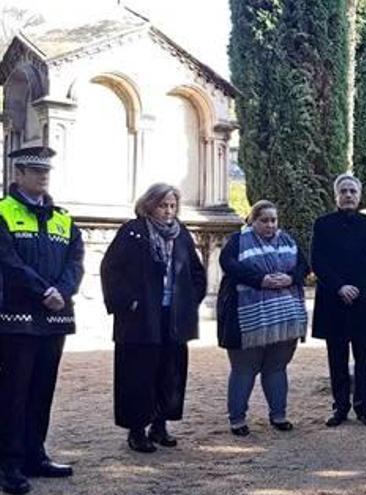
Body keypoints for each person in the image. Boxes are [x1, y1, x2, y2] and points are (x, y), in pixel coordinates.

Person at [0, 147, 83, 495]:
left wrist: (61, 290)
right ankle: (9, 463)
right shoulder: (3, 212)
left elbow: (76, 262)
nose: (42, 175)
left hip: (54, 318)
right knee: (13, 392)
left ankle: (36, 453)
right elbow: (7, 260)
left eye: (46, 170)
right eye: (34, 170)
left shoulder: (63, 217)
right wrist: (42, 290)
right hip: (16, 318)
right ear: (18, 174)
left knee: (42, 390)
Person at [100, 183, 206, 453]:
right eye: (163, 205)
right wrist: (128, 302)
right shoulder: (132, 232)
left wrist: (190, 299)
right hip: (140, 317)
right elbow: (111, 269)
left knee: (170, 371)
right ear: (149, 205)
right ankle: (137, 430)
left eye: (172, 206)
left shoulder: (181, 235)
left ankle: (160, 424)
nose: (168, 211)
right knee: (138, 373)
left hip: (173, 316)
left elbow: (196, 271)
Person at [217, 200, 309, 436]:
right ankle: (237, 419)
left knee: (277, 368)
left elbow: (303, 266)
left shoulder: (288, 240)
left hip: (284, 319)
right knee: (243, 369)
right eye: (264, 220)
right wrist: (260, 280)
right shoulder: (238, 241)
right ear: (253, 220)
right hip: (247, 319)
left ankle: (279, 415)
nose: (270, 225)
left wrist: (291, 278)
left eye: (273, 220)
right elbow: (228, 264)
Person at [312, 175, 366, 427]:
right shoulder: (322, 225)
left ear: (359, 195)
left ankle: (364, 406)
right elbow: (318, 261)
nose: (348, 195)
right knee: (337, 356)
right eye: (343, 191)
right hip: (334, 299)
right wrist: (340, 286)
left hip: (363, 300)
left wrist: (358, 288)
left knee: (364, 357)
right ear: (336, 195)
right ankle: (340, 406)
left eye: (352, 190)